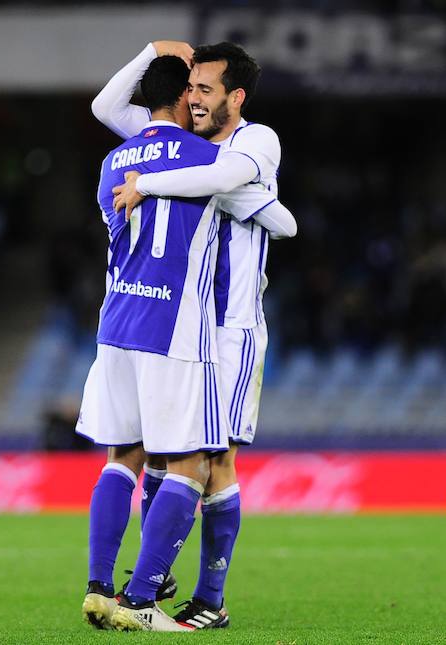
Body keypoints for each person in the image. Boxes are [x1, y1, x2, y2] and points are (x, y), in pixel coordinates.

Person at [93, 40, 294, 629]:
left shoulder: (255, 141)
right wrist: (152, 50)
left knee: (215, 459)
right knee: (167, 452)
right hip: (182, 323)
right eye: (191, 89)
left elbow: (240, 185)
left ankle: (210, 599)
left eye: (205, 89)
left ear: (235, 97)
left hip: (230, 327)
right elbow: (109, 108)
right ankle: (156, 577)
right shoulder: (187, 141)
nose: (195, 98)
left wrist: (150, 183)